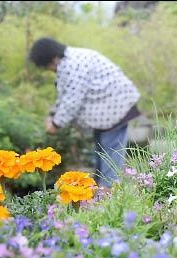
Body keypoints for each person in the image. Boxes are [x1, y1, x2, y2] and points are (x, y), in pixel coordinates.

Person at [28, 37, 140, 188]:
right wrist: (52, 115)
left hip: (115, 106)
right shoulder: (67, 62)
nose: (49, 70)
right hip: (105, 111)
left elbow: (72, 100)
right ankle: (101, 193)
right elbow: (64, 94)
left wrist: (56, 123)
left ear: (53, 59)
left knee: (111, 157)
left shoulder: (73, 64)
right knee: (101, 153)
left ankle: (108, 195)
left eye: (47, 66)